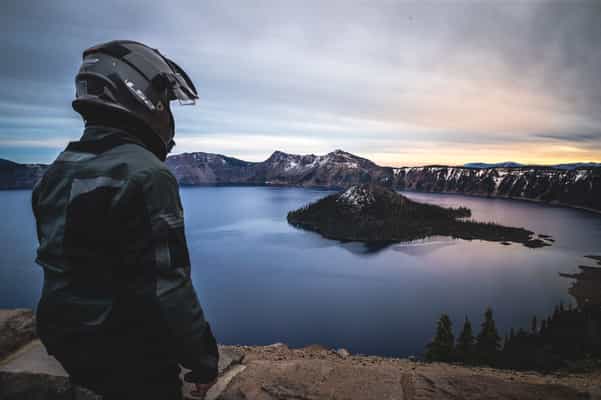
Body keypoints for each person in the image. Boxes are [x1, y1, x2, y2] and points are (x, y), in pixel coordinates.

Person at [31, 40, 219, 399]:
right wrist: (203, 359)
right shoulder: (147, 175)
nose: (167, 114)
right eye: (163, 101)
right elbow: (168, 285)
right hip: (122, 350)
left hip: (64, 336)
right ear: (140, 96)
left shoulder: (58, 169)